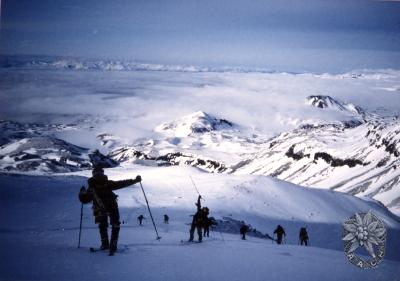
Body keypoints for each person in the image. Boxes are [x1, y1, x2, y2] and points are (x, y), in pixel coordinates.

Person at [79, 165, 141, 256]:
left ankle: (105, 244)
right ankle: (113, 245)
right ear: (102, 173)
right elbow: (122, 183)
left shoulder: (92, 188)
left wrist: (82, 193)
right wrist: (135, 180)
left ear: (93, 174)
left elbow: (84, 200)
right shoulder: (107, 183)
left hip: (99, 209)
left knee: (102, 226)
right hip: (112, 207)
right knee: (115, 225)